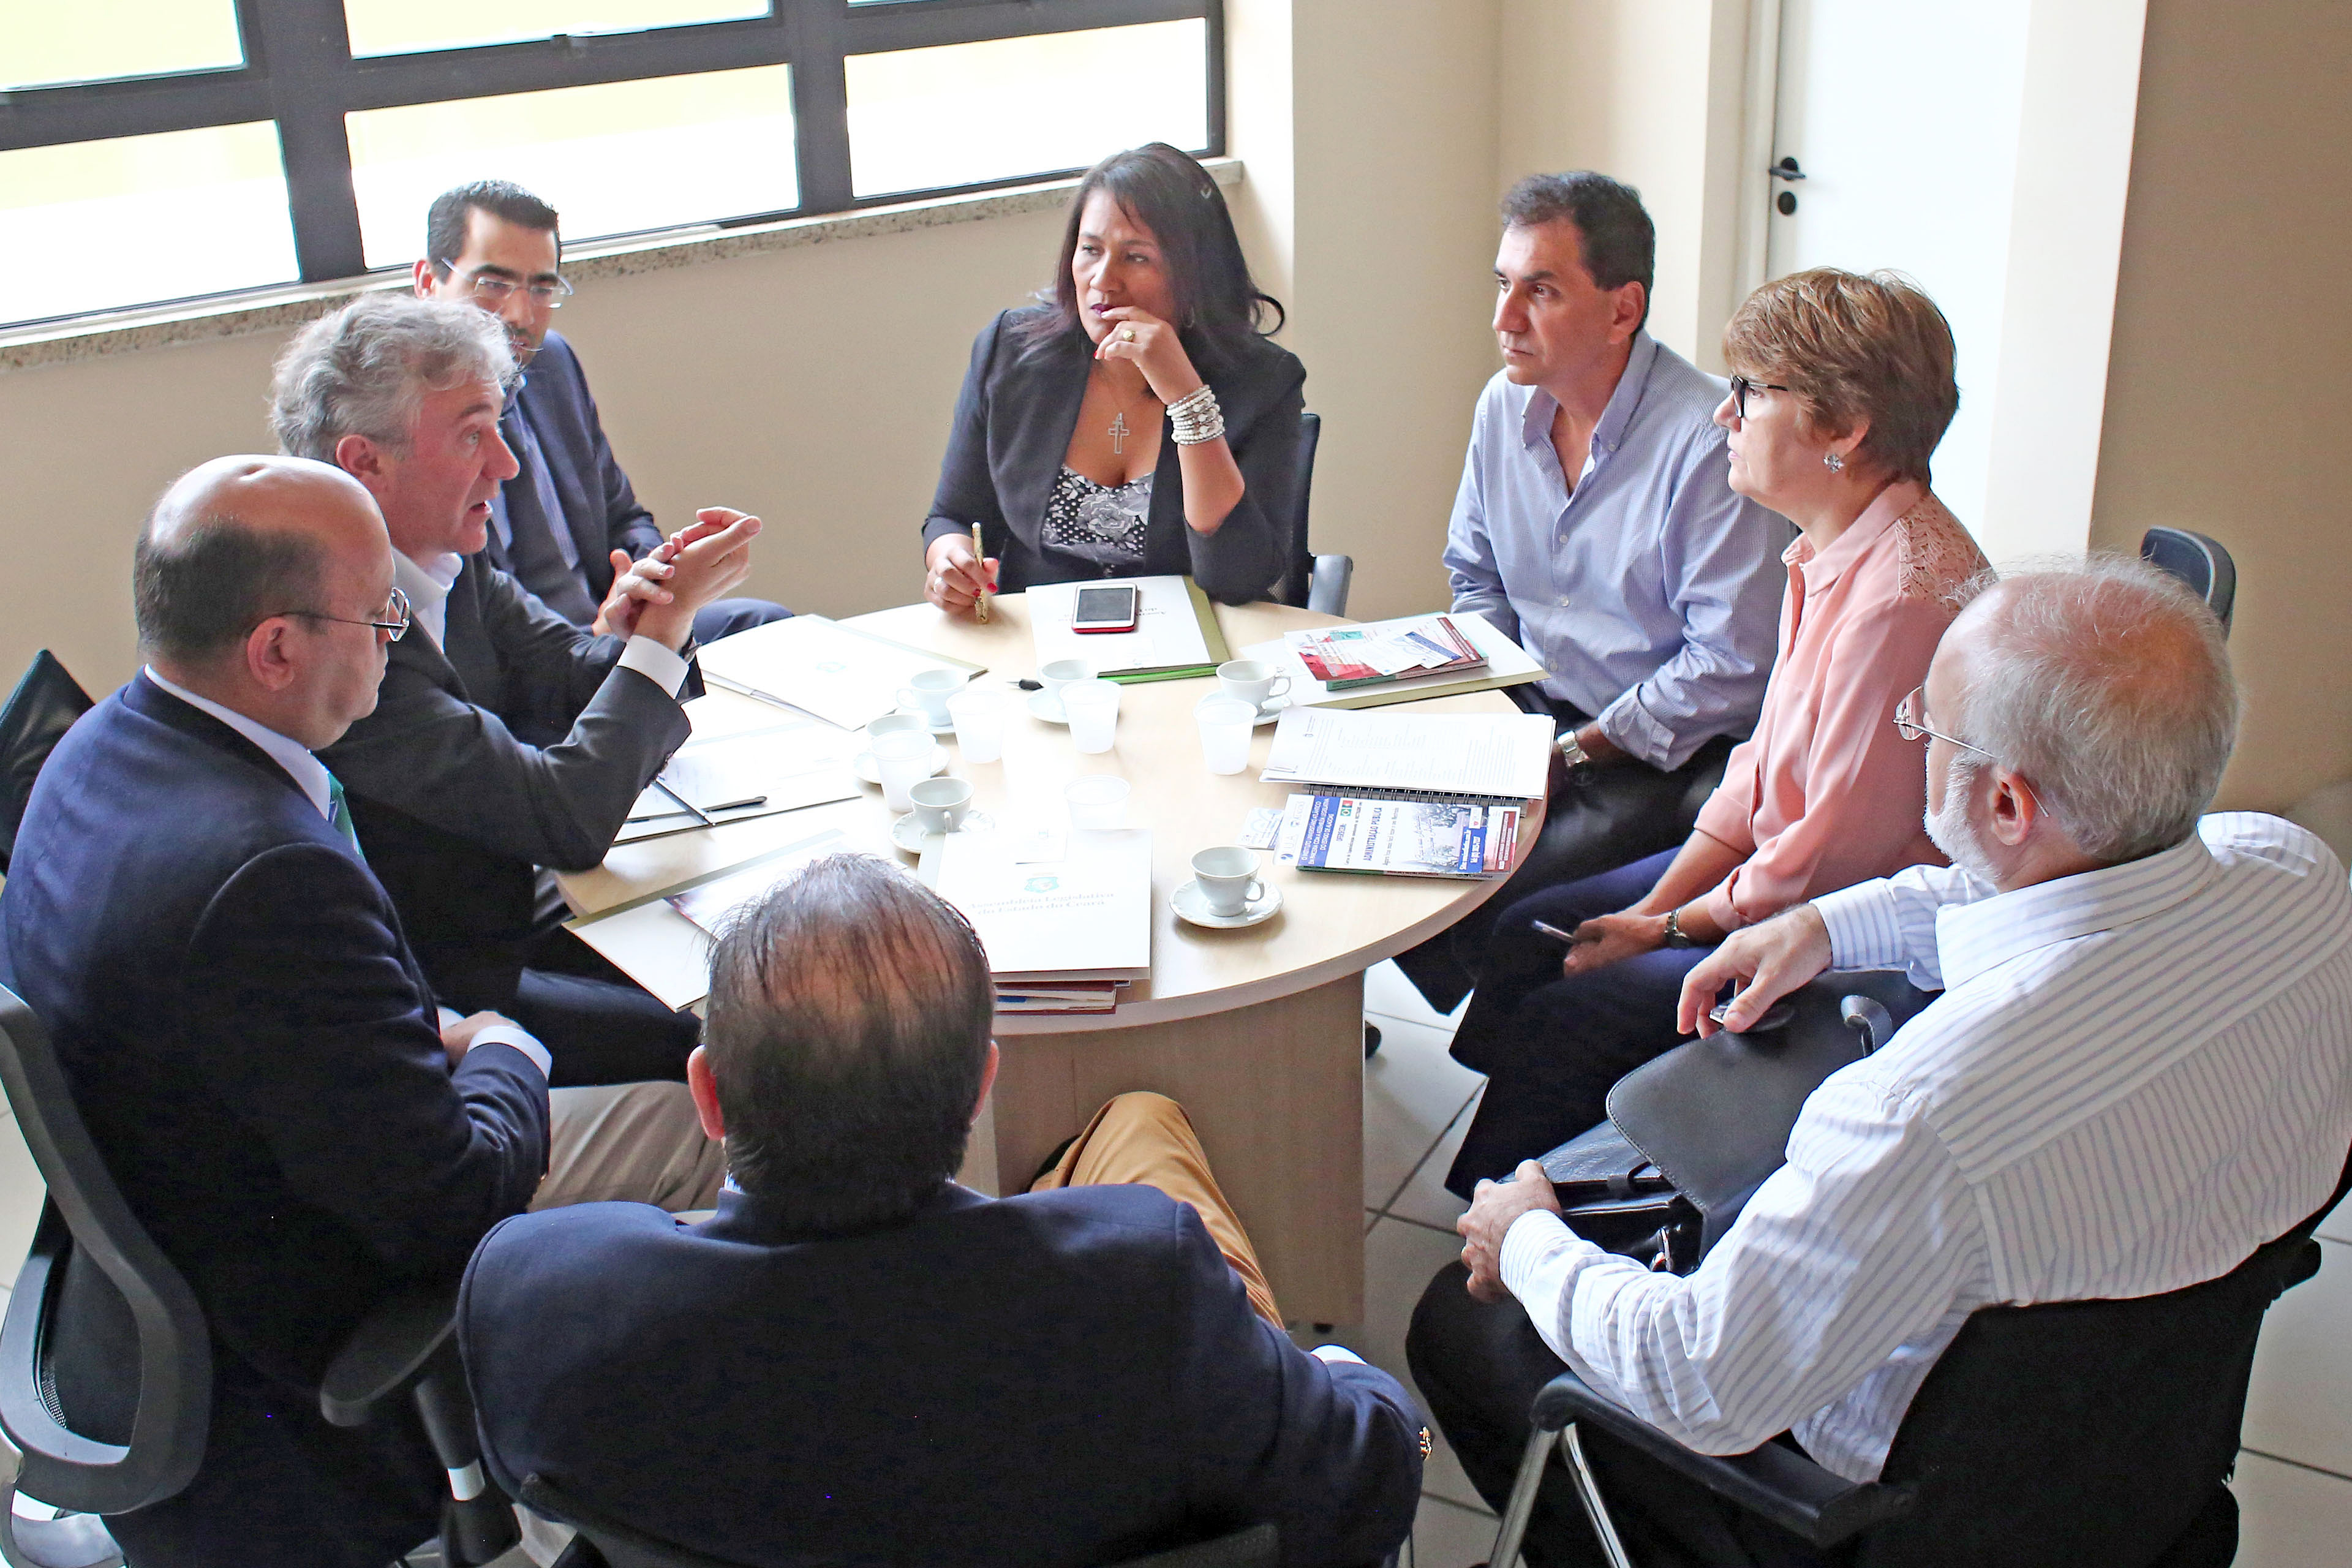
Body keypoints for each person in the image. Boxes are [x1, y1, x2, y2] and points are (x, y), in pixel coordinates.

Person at [1406, 557, 2352, 1568]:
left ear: (2006, 804)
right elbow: (2055, 894)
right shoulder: (2296, 873)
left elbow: (1700, 1384)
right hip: (2138, 1455)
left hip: (1866, 1517)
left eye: (1929, 729)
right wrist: (1823, 924)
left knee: (1461, 1333)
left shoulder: (1920, 1116)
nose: (1917, 741)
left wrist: (1525, 1240)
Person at [0, 456, 723, 1568]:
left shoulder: (92, 749)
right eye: (381, 616)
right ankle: (613, 1504)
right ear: (275, 650)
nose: (398, 637)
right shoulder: (266, 877)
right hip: (298, 1318)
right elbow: (459, 1199)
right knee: (702, 1118)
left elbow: (270, 1028)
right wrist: (504, 1045)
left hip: (180, 1236)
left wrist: (422, 1032)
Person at [461, 853, 1428, 1568]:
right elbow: (1369, 1486)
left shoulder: (538, 1295)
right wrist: (1348, 1374)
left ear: (708, 1096)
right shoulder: (1144, 1286)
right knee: (1145, 1134)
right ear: (980, 1090)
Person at [1442, 268, 1987, 1194]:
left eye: (1750, 392)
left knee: (1572, 1011)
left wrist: (1666, 927)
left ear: (1845, 430)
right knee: (1533, 933)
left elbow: (1831, 855)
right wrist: (1659, 912)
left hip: (1847, 936)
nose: (1724, 415)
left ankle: (1518, 1229)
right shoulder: (1827, 546)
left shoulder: (1900, 601)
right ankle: (1547, 1161)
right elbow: (1759, 770)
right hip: (1782, 875)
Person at [274, 293, 761, 1087]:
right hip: (456, 986)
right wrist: (664, 631)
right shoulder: (341, 640)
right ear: (366, 463)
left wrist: (650, 620)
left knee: (759, 955)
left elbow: (569, 673)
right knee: (730, 1033)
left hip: (525, 903)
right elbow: (565, 819)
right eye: (473, 435)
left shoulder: (446, 560)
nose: (507, 464)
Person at [1393, 172, 1788, 1014]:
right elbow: (1477, 575)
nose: (1504, 318)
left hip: (1654, 748)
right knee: (1382, 826)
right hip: (1532, 704)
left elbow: (1731, 666)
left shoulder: (1706, 443)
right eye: (1503, 284)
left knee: (1486, 882)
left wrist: (1572, 754)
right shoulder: (1503, 408)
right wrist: (1488, 710)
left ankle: (1517, 1051)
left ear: (1622, 310)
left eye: (1541, 291)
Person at [921, 143, 1305, 609]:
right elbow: (954, 516)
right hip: (1041, 631)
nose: (1103, 280)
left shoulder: (1264, 381)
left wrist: (1188, 400)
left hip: (1194, 630)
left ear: (1197, 272)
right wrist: (951, 562)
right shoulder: (1010, 350)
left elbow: (1238, 580)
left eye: (1136, 257)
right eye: (1090, 250)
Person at [415, 178, 791, 641]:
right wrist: (590, 641)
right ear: (428, 283)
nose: (519, 315)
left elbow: (624, 516)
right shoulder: (406, 408)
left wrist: (644, 581)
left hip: (609, 626)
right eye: (494, 284)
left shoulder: (552, 363)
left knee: (766, 626)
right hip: (524, 657)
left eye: (541, 288)